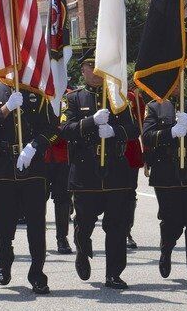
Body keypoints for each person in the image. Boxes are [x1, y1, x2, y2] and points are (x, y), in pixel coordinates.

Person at [58, 49, 139, 289]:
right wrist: (90, 122)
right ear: (82, 70)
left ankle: (113, 273)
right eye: (89, 67)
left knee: (117, 225)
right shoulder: (72, 99)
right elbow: (63, 130)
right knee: (84, 223)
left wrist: (115, 131)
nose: (94, 72)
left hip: (116, 170)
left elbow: (133, 129)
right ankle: (82, 251)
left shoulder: (118, 98)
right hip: (85, 172)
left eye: (98, 66)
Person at [0, 72, 58, 295]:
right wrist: (5, 109)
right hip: (1, 167)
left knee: (36, 224)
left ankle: (37, 273)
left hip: (33, 167)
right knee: (3, 223)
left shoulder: (36, 91)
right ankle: (4, 259)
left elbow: (52, 129)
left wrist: (34, 147)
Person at [142, 83, 187, 286]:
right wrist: (170, 133)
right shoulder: (155, 107)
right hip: (166, 171)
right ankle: (167, 248)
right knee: (172, 221)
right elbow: (147, 137)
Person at [125, 87, 146, 249]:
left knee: (129, 192)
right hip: (101, 153)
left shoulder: (133, 97)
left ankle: (126, 231)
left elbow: (141, 125)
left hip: (129, 151)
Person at [45, 133, 73, 254]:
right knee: (38, 200)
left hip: (63, 156)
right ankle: (39, 238)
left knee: (63, 200)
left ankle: (62, 238)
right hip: (41, 157)